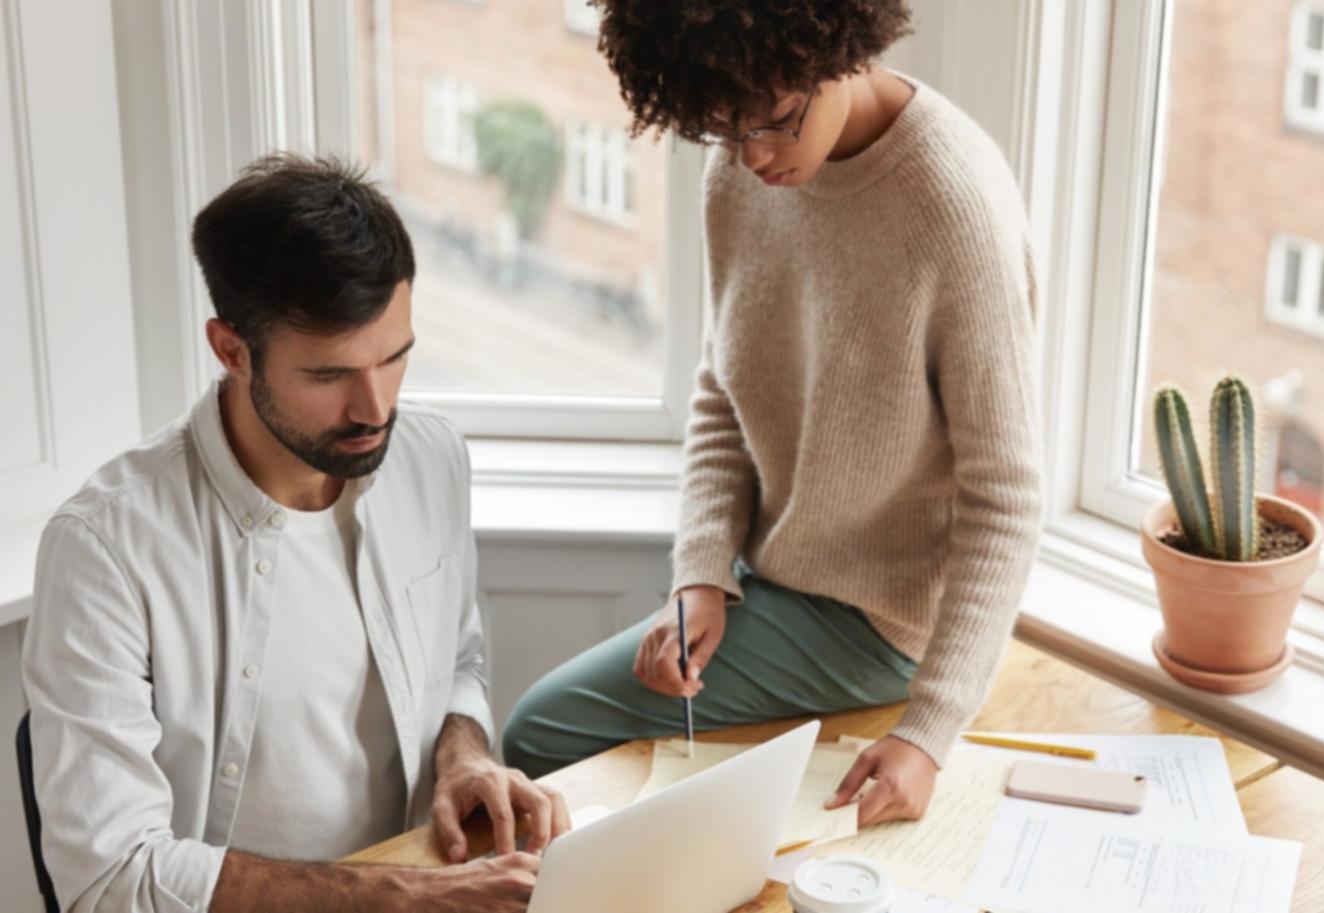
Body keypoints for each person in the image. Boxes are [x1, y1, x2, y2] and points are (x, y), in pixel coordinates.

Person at [503, 0, 1043, 829]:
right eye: (723, 129)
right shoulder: (740, 170)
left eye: (778, 122)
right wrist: (701, 576)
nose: (753, 154)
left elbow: (1005, 498)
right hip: (771, 575)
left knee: (540, 730)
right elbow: (724, 388)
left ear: (842, 50)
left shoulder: (952, 206)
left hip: (878, 619)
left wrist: (928, 735)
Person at [21, 154, 566, 913]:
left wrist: (462, 753)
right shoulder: (103, 547)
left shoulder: (431, 459)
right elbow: (111, 877)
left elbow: (458, 660)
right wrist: (393, 896)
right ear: (232, 349)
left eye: (395, 358)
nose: (374, 407)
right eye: (328, 375)